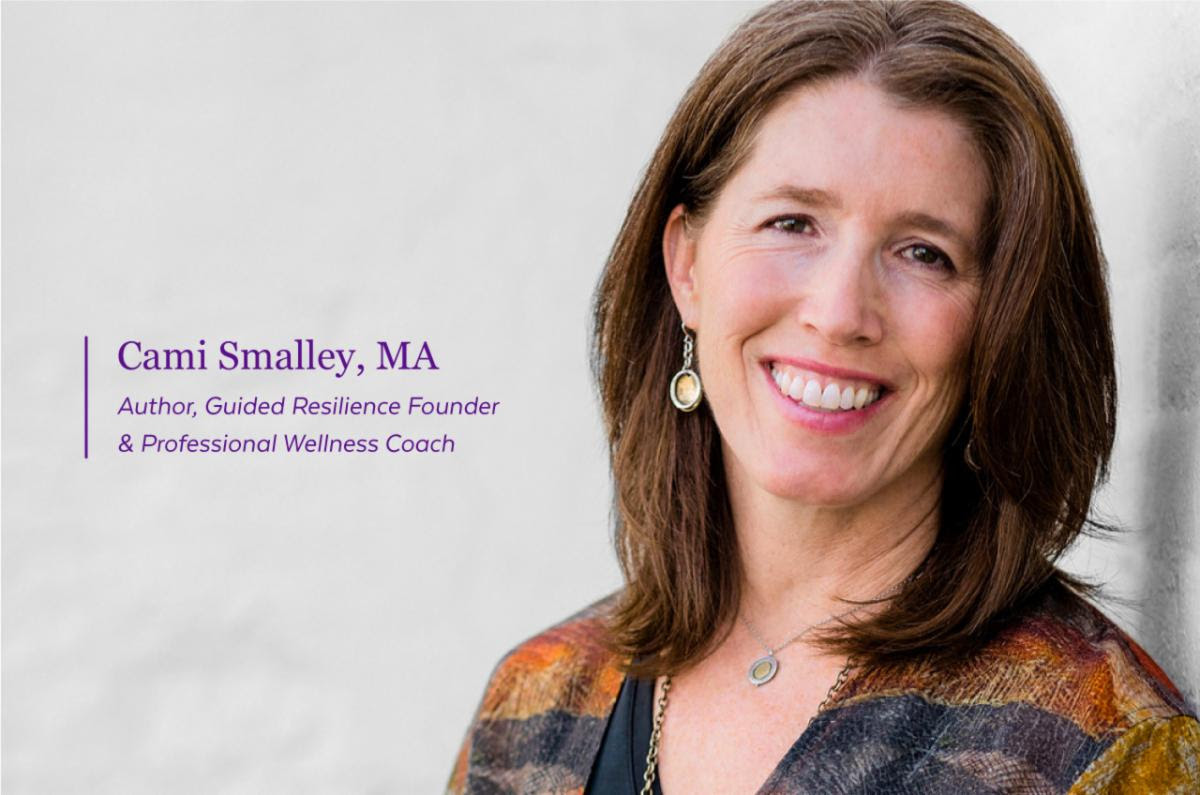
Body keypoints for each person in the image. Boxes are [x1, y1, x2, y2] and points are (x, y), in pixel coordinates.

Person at [447, 1, 1199, 792]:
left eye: (924, 253)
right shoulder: (531, 708)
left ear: (999, 325)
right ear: (688, 266)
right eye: (792, 222)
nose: (839, 313)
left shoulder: (1094, 746)